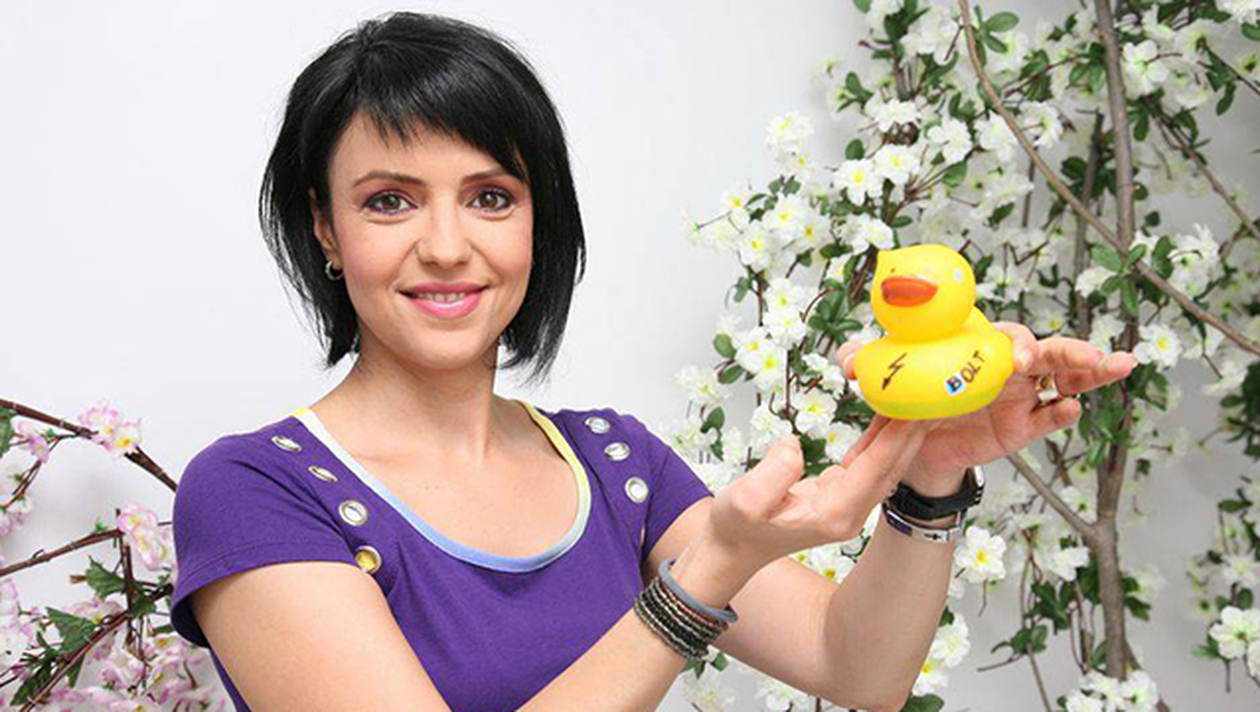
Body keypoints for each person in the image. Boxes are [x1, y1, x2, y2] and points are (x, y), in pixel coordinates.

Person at [168, 10, 1138, 712]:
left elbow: (857, 666)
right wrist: (707, 572)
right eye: (389, 201)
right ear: (324, 229)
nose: (447, 246)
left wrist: (931, 473)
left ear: (539, 220)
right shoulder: (254, 491)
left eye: (491, 197)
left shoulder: (612, 463)